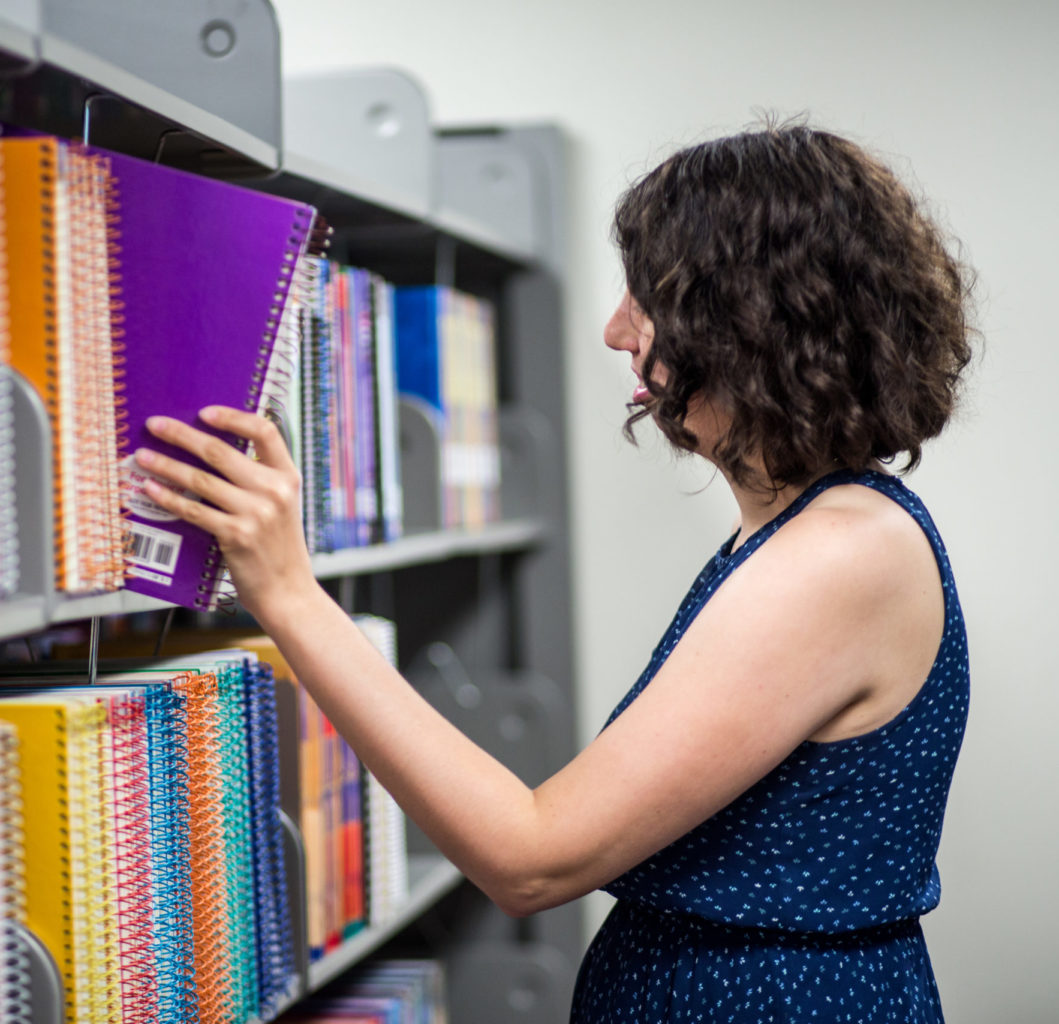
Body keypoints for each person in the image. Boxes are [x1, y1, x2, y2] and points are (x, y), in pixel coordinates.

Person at [134, 121, 975, 1023]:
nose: (617, 329)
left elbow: (531, 858)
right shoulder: (805, 531)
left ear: (753, 322)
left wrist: (289, 593)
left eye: (651, 299)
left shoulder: (836, 556)